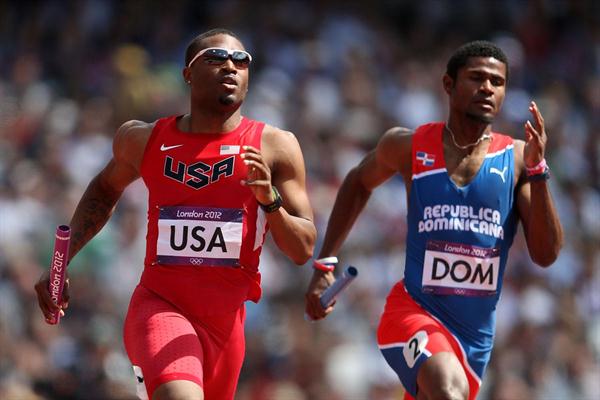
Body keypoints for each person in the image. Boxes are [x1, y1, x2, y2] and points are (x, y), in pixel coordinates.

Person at [35, 28, 316, 400]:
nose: (231, 66)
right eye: (216, 58)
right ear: (187, 73)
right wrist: (61, 259)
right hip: (160, 307)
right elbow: (105, 189)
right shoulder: (143, 139)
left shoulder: (275, 146)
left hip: (226, 326)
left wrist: (270, 201)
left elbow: (302, 249)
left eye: (241, 60)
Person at [305, 41, 563, 400]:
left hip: (473, 342)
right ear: (448, 84)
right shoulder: (408, 146)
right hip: (412, 311)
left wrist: (538, 170)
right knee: (446, 388)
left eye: (498, 81)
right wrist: (325, 262)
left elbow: (546, 254)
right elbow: (357, 181)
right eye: (476, 78)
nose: (488, 87)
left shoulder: (518, 159)